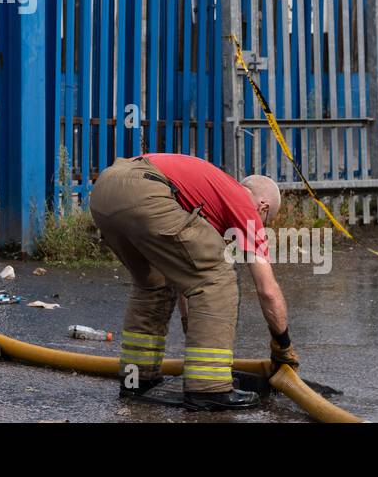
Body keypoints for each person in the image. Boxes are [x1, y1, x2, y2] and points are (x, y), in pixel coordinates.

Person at [88, 152, 297, 410]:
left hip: (106, 189)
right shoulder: (244, 206)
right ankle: (209, 389)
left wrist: (194, 325)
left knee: (153, 283)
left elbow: (184, 272)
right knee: (217, 276)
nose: (262, 226)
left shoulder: (206, 194)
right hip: (145, 190)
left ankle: (136, 379)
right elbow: (267, 290)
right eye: (267, 221)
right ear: (263, 207)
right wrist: (283, 346)